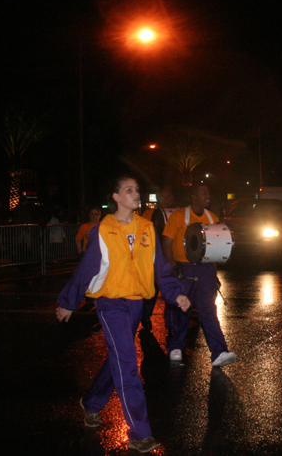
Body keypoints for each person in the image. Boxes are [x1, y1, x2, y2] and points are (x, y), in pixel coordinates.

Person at [55, 175, 190, 454]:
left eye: (137, 189)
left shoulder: (146, 228)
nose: (135, 193)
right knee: (128, 364)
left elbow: (160, 267)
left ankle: (91, 403)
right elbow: (87, 268)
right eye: (129, 190)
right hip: (110, 304)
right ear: (115, 197)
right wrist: (69, 301)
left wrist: (175, 292)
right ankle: (140, 432)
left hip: (136, 304)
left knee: (117, 357)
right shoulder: (103, 230)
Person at [162, 184, 236, 367]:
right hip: (183, 268)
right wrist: (173, 267)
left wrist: (214, 274)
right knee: (181, 309)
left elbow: (217, 248)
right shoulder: (178, 216)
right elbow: (166, 243)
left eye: (208, 192)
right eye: (204, 193)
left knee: (208, 310)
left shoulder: (212, 218)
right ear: (193, 196)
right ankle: (176, 347)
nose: (208, 195)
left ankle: (219, 352)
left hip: (205, 269)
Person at [140, 187, 177, 332]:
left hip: (171, 256)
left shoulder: (178, 213)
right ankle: (145, 317)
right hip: (154, 258)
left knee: (170, 291)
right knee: (152, 291)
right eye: (164, 196)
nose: (168, 199)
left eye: (169, 196)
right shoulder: (149, 214)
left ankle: (171, 323)